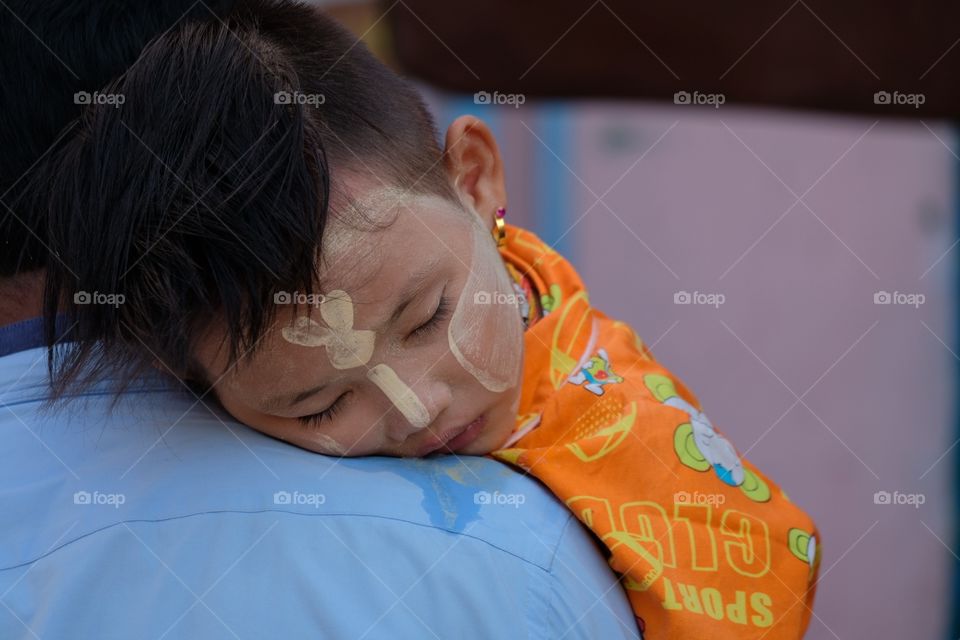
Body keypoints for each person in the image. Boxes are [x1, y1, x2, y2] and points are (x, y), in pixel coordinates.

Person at [33, 1, 819, 637]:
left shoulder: (608, 391)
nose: (419, 409)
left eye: (427, 318)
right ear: (182, 379)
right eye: (320, 404)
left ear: (473, 181)